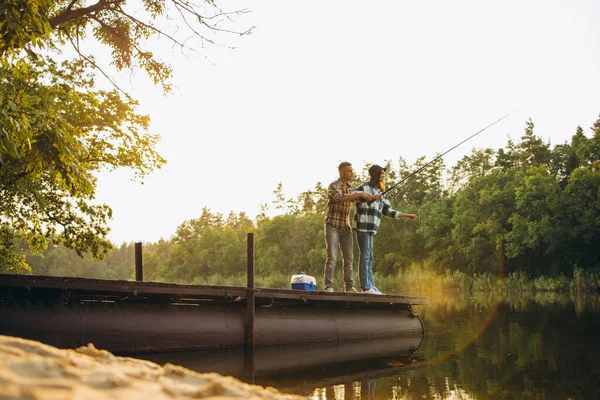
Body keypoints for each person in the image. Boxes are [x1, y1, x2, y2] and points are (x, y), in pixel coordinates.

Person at [354, 164, 417, 295]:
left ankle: (371, 286)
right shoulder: (364, 187)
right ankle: (365, 287)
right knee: (365, 255)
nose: (383, 176)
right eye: (382, 174)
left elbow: (388, 211)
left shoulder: (381, 192)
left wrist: (406, 215)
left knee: (370, 256)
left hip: (372, 228)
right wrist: (372, 197)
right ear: (375, 175)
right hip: (362, 226)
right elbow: (355, 197)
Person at [323, 161, 374, 293]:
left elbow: (359, 199)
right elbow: (340, 198)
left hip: (346, 226)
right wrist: (359, 194)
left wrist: (373, 196)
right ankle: (329, 286)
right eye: (348, 171)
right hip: (332, 225)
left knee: (349, 258)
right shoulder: (333, 185)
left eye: (352, 170)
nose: (351, 173)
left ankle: (349, 287)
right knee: (332, 257)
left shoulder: (352, 187)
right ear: (341, 172)